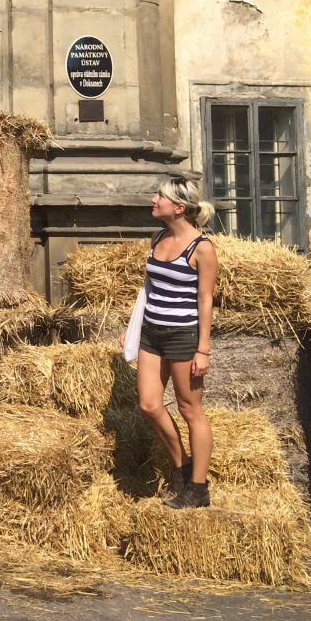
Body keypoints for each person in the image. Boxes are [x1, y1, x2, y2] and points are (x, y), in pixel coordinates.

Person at [121, 176, 217, 509]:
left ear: (178, 207)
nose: (152, 200)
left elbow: (205, 300)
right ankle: (181, 467)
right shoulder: (158, 236)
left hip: (183, 337)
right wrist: (134, 328)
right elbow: (148, 288)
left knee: (191, 410)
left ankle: (198, 489)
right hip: (152, 333)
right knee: (149, 405)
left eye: (159, 196)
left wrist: (202, 349)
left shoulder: (201, 248)